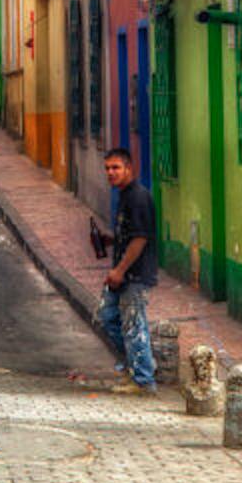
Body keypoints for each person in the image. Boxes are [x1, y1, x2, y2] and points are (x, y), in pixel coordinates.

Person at [97, 148, 158, 393]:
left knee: (134, 324)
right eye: (107, 168)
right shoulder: (123, 196)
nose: (111, 173)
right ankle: (133, 368)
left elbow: (141, 238)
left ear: (129, 169)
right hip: (123, 273)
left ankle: (143, 380)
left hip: (135, 274)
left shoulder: (138, 197)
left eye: (116, 168)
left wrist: (120, 270)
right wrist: (110, 239)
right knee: (108, 317)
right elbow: (130, 233)